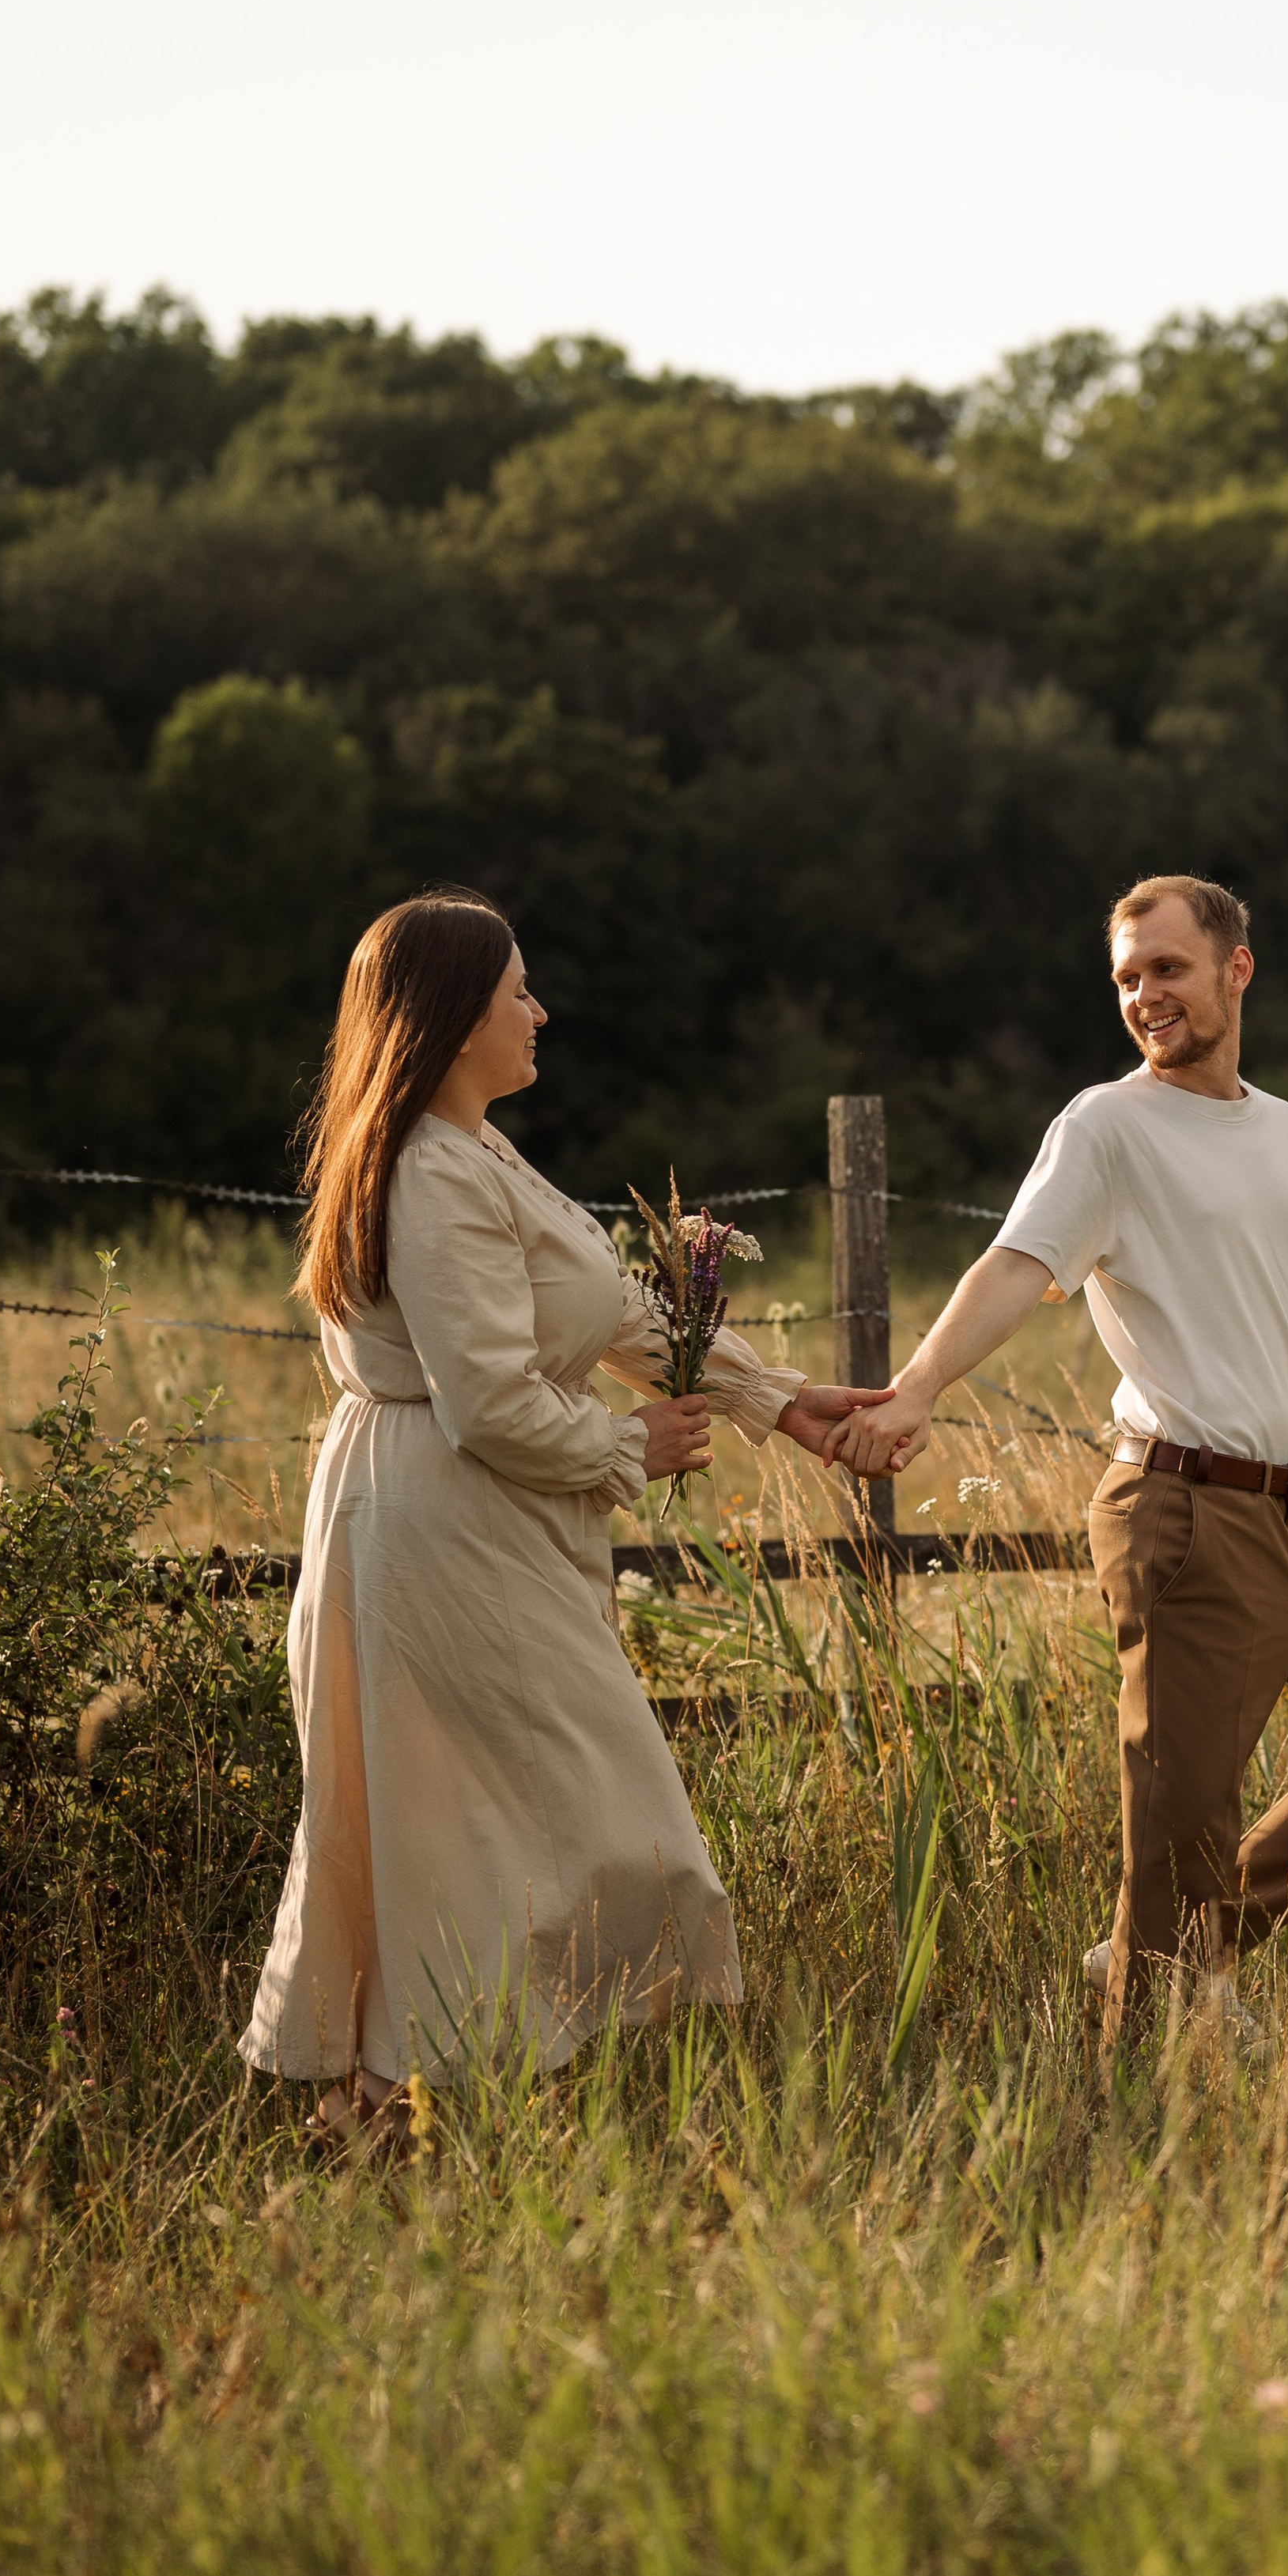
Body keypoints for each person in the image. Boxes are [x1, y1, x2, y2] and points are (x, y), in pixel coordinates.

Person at [241, 890, 874, 2135]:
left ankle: (400, 2104)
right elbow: (486, 1402)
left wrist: (777, 1400)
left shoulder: (474, 1146)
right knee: (543, 1808)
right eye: (516, 991)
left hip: (476, 1521)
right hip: (443, 1517)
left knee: (490, 1814)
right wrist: (627, 1446)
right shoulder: (428, 1169)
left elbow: (610, 1318)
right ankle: (400, 2099)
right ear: (451, 1016)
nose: (540, 1010)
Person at [830, 873, 1288, 2054]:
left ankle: (1171, 1952)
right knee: (1179, 1811)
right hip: (1178, 1503)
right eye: (1126, 979)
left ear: (1237, 967)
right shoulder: (1106, 1128)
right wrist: (917, 1389)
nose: (1144, 997)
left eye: (1166, 969)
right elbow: (1014, 1268)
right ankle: (1144, 2051)